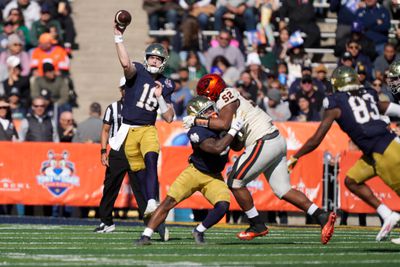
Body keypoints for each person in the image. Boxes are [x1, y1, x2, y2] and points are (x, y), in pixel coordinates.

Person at [184, 74, 336, 244]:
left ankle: (257, 224)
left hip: (264, 140)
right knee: (283, 190)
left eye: (206, 95)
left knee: (234, 180)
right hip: (275, 139)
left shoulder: (225, 96)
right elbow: (235, 143)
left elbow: (224, 124)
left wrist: (197, 120)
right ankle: (321, 215)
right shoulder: (230, 101)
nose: (206, 100)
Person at [288, 66, 400, 243]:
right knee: (352, 180)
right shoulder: (368, 92)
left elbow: (316, 139)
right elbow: (384, 106)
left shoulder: (335, 103)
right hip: (380, 148)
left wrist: (296, 156)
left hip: (383, 151)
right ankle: (388, 215)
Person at [136, 96, 244, 245]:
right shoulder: (197, 130)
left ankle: (198, 230)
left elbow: (237, 146)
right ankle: (146, 235)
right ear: (198, 116)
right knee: (168, 202)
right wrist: (232, 131)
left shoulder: (221, 125)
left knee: (223, 205)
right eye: (208, 111)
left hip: (214, 176)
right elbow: (216, 148)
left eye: (212, 108)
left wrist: (237, 133)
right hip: (195, 172)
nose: (213, 113)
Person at [112, 20, 175, 221]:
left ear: (164, 61)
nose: (155, 61)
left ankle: (151, 202)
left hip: (148, 128)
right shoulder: (137, 70)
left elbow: (169, 117)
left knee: (151, 160)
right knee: (138, 174)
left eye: (158, 58)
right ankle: (154, 212)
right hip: (129, 130)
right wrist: (118, 37)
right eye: (152, 57)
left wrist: (160, 99)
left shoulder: (167, 83)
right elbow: (125, 63)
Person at [94, 77, 154, 235]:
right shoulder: (113, 108)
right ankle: (106, 222)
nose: (126, 91)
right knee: (110, 187)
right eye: (123, 88)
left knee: (140, 189)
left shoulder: (142, 108)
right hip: (118, 151)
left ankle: (150, 224)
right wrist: (103, 151)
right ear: (120, 90)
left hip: (135, 151)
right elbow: (105, 130)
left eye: (129, 87)